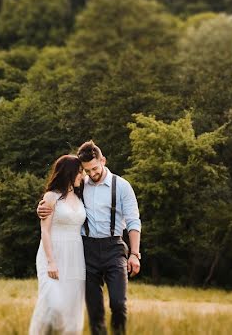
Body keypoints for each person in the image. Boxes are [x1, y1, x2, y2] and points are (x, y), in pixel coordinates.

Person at [38, 141, 141, 335]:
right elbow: (58, 199)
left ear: (103, 160)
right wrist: (42, 206)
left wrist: (135, 254)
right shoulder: (79, 184)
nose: (92, 174)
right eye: (87, 170)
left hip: (114, 248)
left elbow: (134, 221)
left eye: (95, 168)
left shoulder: (122, 186)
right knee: (95, 310)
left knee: (118, 303)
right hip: (86, 249)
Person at [28, 154, 87, 335]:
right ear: (68, 173)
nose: (82, 176)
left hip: (76, 255)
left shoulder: (81, 196)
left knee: (73, 308)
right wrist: (51, 261)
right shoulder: (51, 197)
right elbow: (45, 231)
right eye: (79, 172)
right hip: (53, 253)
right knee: (54, 305)